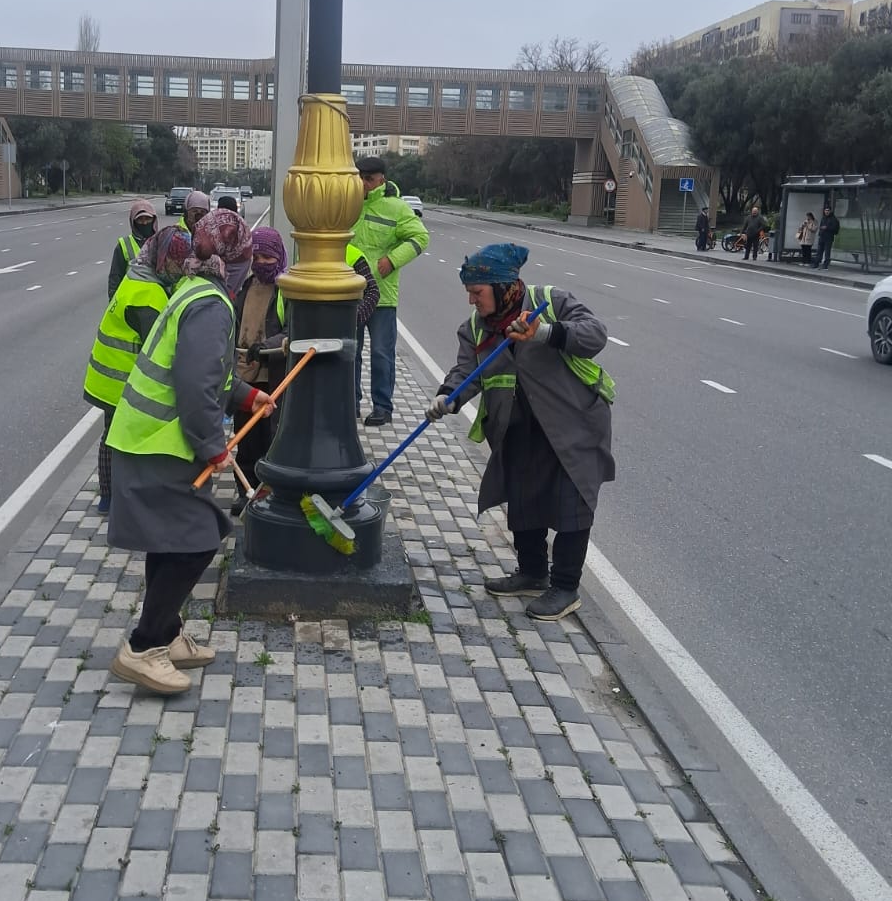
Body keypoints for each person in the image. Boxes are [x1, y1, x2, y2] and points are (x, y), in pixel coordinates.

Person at [106, 210, 269, 693]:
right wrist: (214, 447)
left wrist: (246, 396)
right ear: (236, 262)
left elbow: (210, 374)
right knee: (198, 539)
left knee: (170, 540)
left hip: (147, 440)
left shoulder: (193, 289)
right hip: (157, 443)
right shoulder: (213, 305)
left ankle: (167, 635)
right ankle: (143, 647)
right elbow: (196, 386)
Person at [426, 242, 615, 621]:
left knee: (571, 505)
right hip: (517, 425)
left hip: (571, 423)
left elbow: (595, 335)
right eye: (469, 293)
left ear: (502, 288)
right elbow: (466, 370)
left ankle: (566, 587)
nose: (472, 300)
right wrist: (448, 396)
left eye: (477, 292)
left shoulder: (551, 301)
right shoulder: (476, 328)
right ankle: (532, 573)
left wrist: (544, 332)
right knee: (524, 499)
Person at [230, 230, 379, 510]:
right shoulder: (246, 287)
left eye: (267, 257)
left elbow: (293, 331)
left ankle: (269, 493)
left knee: (270, 437)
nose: (261, 263)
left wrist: (266, 347)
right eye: (256, 257)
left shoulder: (286, 290)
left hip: (274, 377)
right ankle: (245, 491)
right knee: (246, 440)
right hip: (245, 376)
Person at [85, 225, 191, 513]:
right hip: (119, 379)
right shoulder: (149, 295)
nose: (179, 270)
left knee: (111, 435)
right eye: (175, 263)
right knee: (118, 439)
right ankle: (113, 499)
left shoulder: (137, 276)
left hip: (108, 374)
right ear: (161, 258)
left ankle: (110, 498)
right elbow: (158, 349)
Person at [352, 156, 430, 425]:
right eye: (359, 177)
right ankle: (350, 403)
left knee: (381, 353)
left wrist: (392, 260)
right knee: (350, 352)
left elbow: (421, 237)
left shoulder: (396, 208)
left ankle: (382, 407)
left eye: (369, 179)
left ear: (381, 180)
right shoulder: (347, 204)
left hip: (382, 295)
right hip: (349, 293)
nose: (363, 183)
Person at [108, 199, 158, 298]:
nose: (144, 223)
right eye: (140, 219)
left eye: (148, 219)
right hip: (131, 300)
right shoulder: (124, 245)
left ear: (154, 220)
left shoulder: (162, 242)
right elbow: (115, 277)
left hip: (157, 299)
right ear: (133, 222)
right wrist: (113, 300)